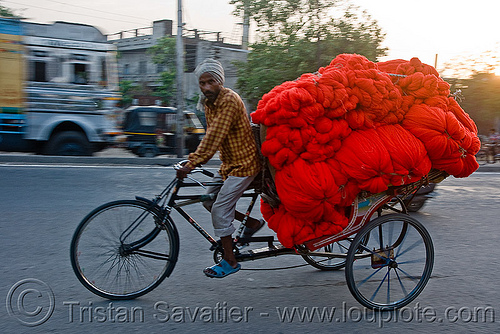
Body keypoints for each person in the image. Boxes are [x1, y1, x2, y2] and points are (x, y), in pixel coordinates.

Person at [176, 58, 263, 278]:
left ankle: (230, 261)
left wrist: (192, 162)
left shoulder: (229, 100)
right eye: (202, 83)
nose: (206, 87)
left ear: (220, 81)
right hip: (228, 164)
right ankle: (251, 222)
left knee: (219, 210)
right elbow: (210, 136)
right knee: (207, 200)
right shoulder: (208, 103)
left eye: (211, 82)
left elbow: (214, 137)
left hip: (245, 164)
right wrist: (193, 161)